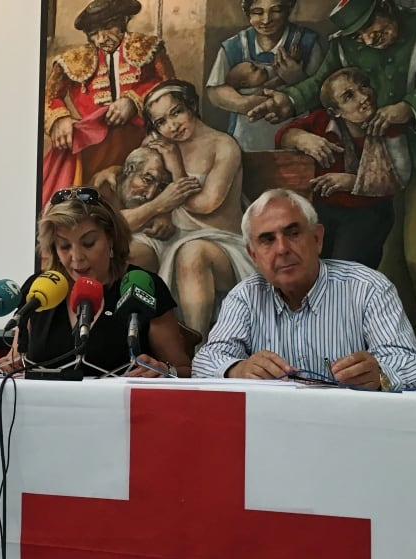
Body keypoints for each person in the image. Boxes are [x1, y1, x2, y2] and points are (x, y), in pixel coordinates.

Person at [247, 0, 416, 375]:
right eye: (358, 32)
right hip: (382, 164)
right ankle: (404, 346)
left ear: (386, 6)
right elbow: (323, 83)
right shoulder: (347, 44)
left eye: (371, 24)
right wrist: (288, 99)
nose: (367, 37)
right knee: (389, 263)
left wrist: (411, 106)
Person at [192, 188, 416, 390]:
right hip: (275, 428)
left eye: (293, 234)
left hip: (354, 427)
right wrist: (238, 369)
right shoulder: (245, 296)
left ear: (317, 239)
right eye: (267, 240)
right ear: (253, 255)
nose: (282, 249)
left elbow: (412, 367)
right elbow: (204, 362)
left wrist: (380, 376)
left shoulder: (368, 287)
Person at [0, 186, 192, 378]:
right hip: (43, 410)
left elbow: (184, 370)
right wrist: (8, 365)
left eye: (88, 243)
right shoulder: (40, 288)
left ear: (111, 238)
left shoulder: (143, 285)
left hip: (121, 411)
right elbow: (18, 360)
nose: (76, 257)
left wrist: (164, 370)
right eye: (64, 246)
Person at [133, 79, 255, 342]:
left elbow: (206, 204)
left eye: (176, 112)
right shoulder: (160, 146)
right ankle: (133, 341)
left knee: (192, 253)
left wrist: (176, 165)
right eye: (161, 122)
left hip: (220, 242)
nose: (172, 126)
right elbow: (138, 193)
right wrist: (161, 213)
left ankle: (196, 346)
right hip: (172, 237)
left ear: (191, 106)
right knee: (128, 251)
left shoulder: (223, 145)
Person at [276, 66, 411, 268]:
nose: (363, 97)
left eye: (364, 87)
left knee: (345, 265)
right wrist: (300, 137)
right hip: (323, 210)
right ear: (335, 112)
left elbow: (400, 177)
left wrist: (351, 182)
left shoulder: (388, 126)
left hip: (368, 211)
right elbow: (282, 137)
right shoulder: (322, 122)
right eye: (349, 96)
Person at [41, 0, 174, 204]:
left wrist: (135, 102)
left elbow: (171, 88)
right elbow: (49, 97)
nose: (102, 38)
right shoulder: (74, 59)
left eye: (108, 28)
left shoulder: (148, 48)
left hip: (142, 139)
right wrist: (60, 118)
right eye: (94, 32)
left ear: (123, 21)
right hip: (94, 149)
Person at [205, 0, 322, 151]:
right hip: (247, 136)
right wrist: (247, 103)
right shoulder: (234, 46)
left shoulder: (307, 42)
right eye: (258, 12)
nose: (266, 20)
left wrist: (298, 79)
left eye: (276, 10)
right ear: (247, 12)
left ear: (288, 9)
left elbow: (322, 92)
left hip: (295, 134)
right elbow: (215, 91)